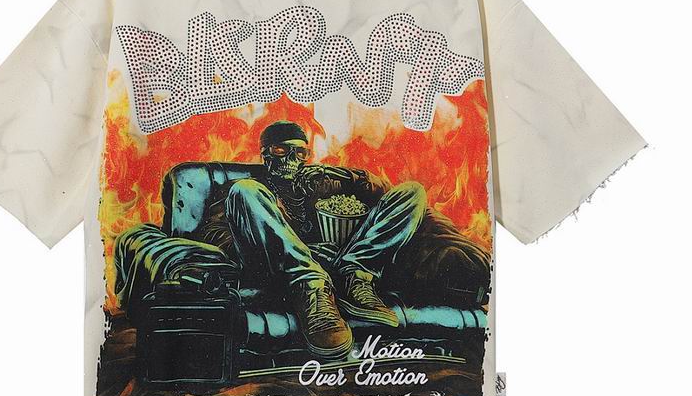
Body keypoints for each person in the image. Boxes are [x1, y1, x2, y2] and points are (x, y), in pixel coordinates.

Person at [114, 121, 490, 360]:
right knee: (246, 191)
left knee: (411, 192)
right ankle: (312, 287)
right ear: (266, 154)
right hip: (272, 269)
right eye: (282, 151)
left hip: (337, 263)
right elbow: (218, 237)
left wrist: (345, 178)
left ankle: (356, 276)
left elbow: (376, 194)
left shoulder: (318, 184)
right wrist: (302, 252)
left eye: (299, 152)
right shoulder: (240, 192)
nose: (291, 159)